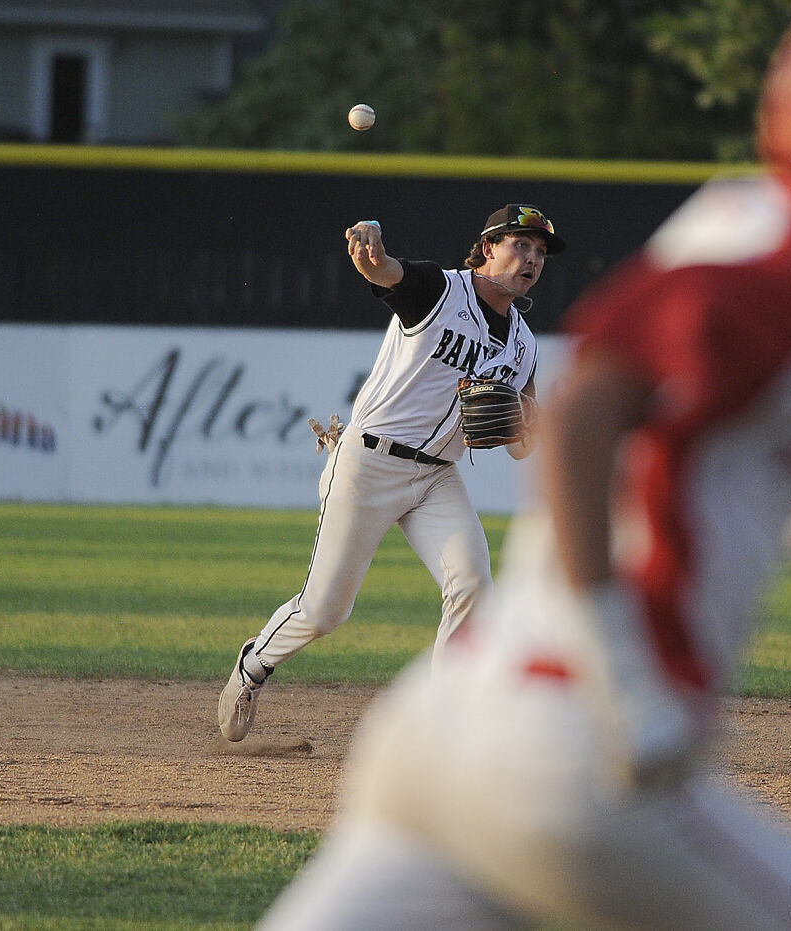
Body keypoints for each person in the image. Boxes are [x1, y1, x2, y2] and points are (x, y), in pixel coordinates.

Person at [257, 0, 791, 929]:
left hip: (443, 737)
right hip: (575, 750)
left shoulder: (772, 246)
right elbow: (587, 409)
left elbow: (781, 515)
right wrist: (623, 669)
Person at [218, 204, 565, 742]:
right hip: (369, 462)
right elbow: (386, 273)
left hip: (437, 478)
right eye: (520, 245)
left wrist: (533, 423)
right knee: (326, 610)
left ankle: (445, 721)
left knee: (472, 582)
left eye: (540, 252)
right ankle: (252, 666)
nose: (532, 259)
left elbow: (521, 447)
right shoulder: (440, 290)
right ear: (488, 247)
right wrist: (371, 250)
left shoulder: (523, 344)